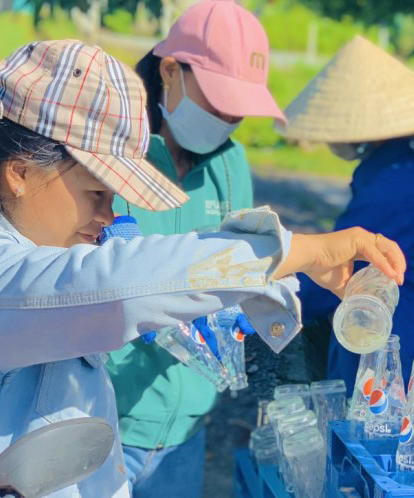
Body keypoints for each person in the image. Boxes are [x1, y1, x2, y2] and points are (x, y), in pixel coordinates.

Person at [0, 39, 406, 497]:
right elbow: (107, 284)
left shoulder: (32, 259)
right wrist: (298, 251)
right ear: (20, 173)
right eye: (96, 194)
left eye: (115, 198)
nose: (110, 216)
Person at [104, 2, 287, 495]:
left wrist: (245, 302)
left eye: (239, 106)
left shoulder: (231, 165)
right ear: (170, 71)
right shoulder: (115, 151)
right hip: (104, 422)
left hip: (188, 430)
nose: (229, 117)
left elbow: (245, 266)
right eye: (218, 99)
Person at [277, 35, 414, 392]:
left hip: (400, 352)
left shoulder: (389, 189)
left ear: (360, 132)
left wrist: (265, 294)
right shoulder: (398, 173)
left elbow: (330, 275)